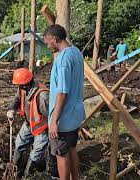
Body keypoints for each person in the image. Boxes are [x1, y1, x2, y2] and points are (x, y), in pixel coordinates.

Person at [43, 24, 85, 180]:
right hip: (75, 115)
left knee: (62, 154)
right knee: (72, 149)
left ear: (55, 39)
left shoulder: (63, 59)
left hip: (63, 119)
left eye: (48, 42)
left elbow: (62, 92)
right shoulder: (76, 53)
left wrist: (54, 120)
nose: (47, 45)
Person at [6, 68, 49, 177]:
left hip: (42, 129)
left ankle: (27, 175)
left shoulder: (42, 96)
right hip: (29, 124)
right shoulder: (22, 89)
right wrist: (11, 109)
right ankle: (15, 169)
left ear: (26, 83)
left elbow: (51, 115)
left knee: (35, 154)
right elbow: (16, 100)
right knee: (19, 144)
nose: (19, 87)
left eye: (20, 85)